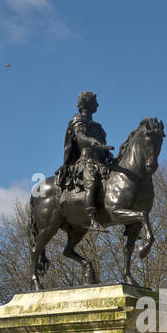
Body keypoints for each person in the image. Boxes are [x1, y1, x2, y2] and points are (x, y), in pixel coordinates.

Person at [56, 90, 113, 231]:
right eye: (95, 103)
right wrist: (91, 141)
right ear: (87, 104)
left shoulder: (97, 127)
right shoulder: (78, 120)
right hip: (86, 160)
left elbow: (103, 145)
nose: (97, 106)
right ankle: (92, 218)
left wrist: (108, 153)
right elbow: (80, 136)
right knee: (92, 181)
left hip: (102, 161)